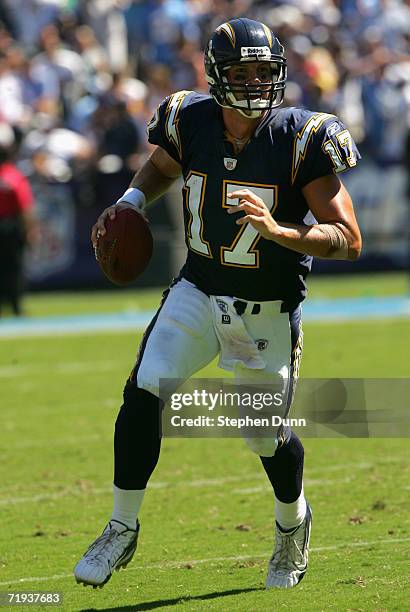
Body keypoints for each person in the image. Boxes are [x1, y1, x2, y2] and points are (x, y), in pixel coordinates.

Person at [74, 18, 362, 591]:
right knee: (146, 385)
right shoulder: (188, 118)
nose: (256, 83)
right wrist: (130, 201)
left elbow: (348, 239)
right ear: (216, 76)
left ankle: (291, 522)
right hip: (198, 289)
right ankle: (121, 525)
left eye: (265, 72)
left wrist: (283, 233)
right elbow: (160, 166)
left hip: (266, 308)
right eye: (242, 73)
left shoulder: (300, 136)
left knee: (261, 435)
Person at [0, 123, 36, 316]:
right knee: (13, 269)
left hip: (9, 226)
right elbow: (26, 208)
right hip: (10, 228)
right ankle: (15, 307)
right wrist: (30, 230)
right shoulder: (13, 176)